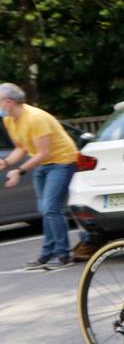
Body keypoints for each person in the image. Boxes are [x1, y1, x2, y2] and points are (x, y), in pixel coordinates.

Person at [0, 83, 80, 269]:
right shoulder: (10, 120)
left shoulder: (35, 118)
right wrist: (6, 163)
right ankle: (46, 254)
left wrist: (19, 171)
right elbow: (21, 148)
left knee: (51, 208)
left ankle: (63, 254)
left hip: (61, 162)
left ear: (9, 102)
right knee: (44, 209)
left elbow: (43, 152)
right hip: (43, 165)